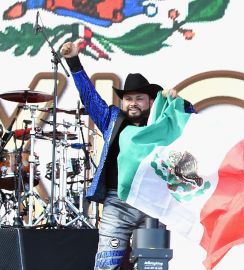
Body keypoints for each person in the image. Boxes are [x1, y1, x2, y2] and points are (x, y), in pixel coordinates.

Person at [60, 39, 195, 269]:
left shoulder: (162, 124)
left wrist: (180, 103)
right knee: (106, 264)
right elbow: (89, 98)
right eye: (128, 98)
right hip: (117, 202)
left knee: (153, 265)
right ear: (122, 102)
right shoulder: (113, 119)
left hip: (152, 203)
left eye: (139, 98)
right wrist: (73, 62)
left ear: (151, 101)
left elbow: (192, 122)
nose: (133, 103)